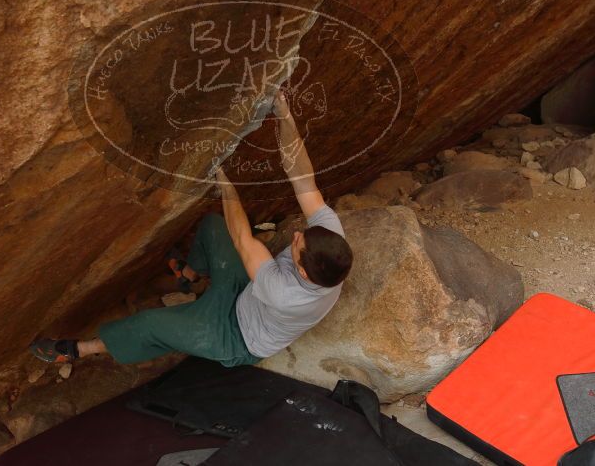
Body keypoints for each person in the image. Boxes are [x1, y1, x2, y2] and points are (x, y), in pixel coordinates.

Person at [30, 89, 353, 366]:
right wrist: (284, 114)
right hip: (247, 293)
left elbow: (242, 239)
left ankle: (79, 350)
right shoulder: (330, 242)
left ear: (305, 273)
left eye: (298, 245)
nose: (296, 235)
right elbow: (302, 178)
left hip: (236, 335)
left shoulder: (286, 295)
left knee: (149, 324)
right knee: (214, 227)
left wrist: (224, 181)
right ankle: (192, 277)